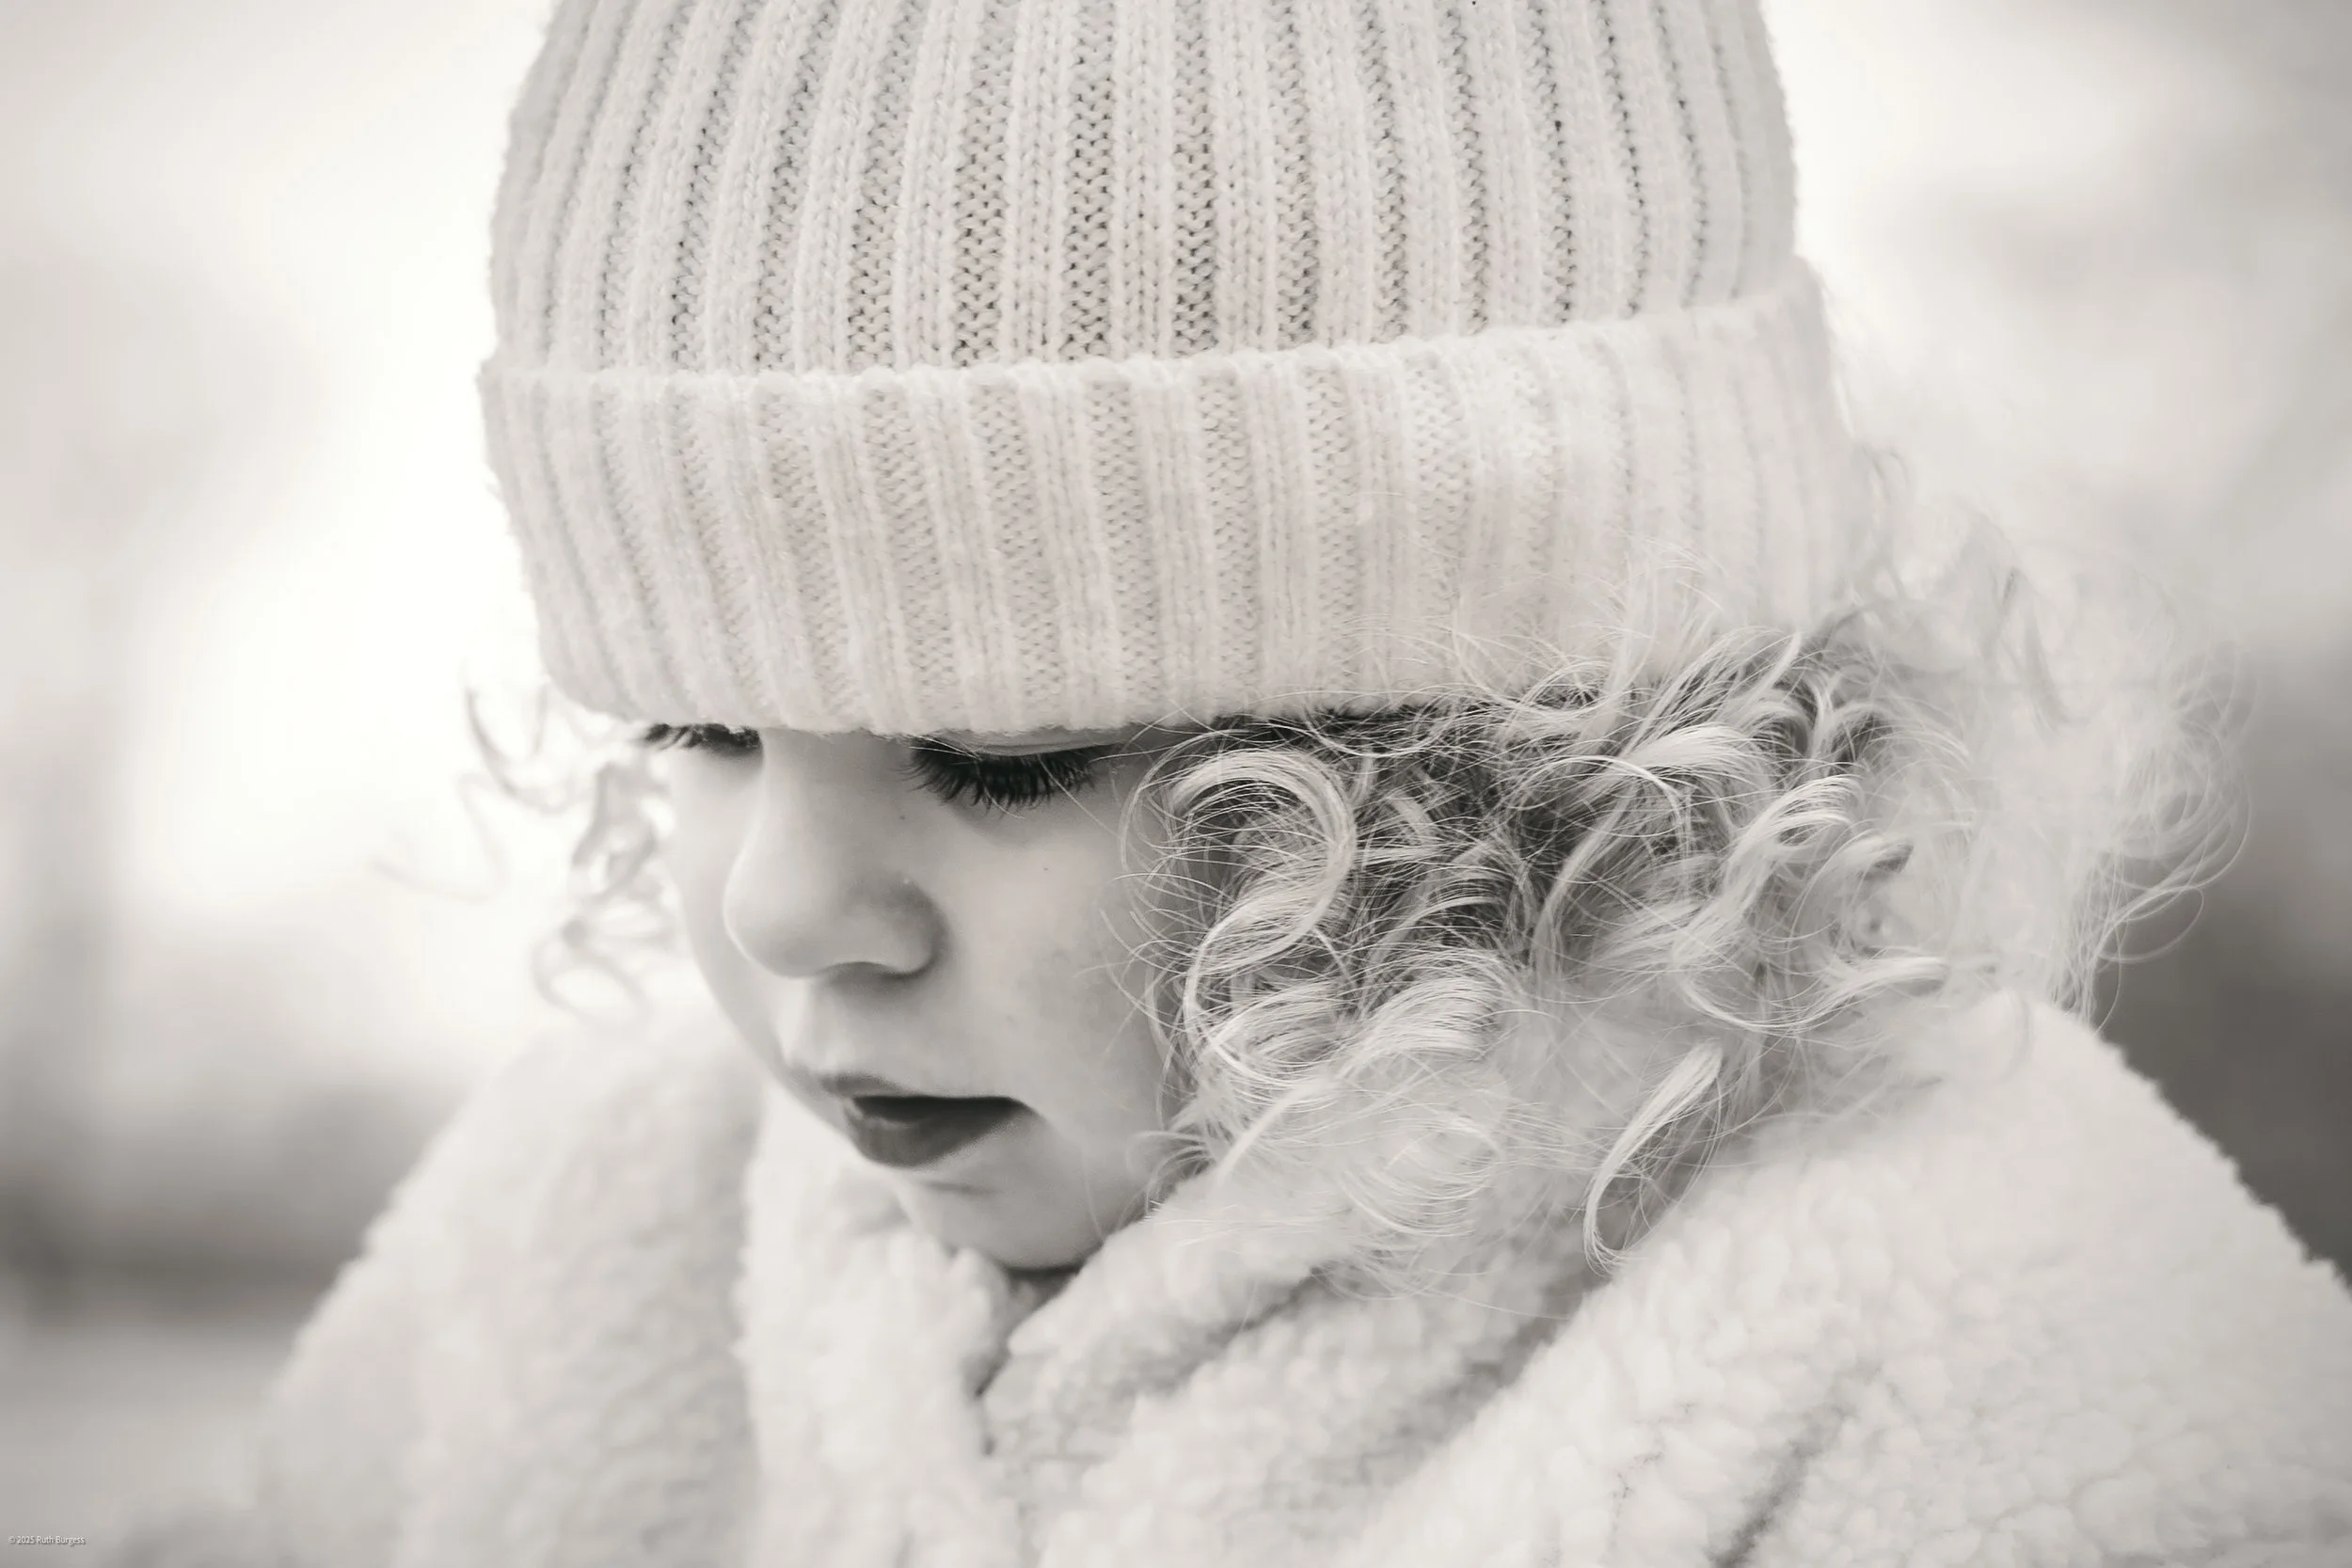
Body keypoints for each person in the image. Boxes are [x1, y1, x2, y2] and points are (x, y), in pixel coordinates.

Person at [125, 0, 2352, 1562]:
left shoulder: (1997, 1364)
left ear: (1532, 771)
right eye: (698, 729)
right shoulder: (601, 1236)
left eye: (997, 753)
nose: (787, 906)